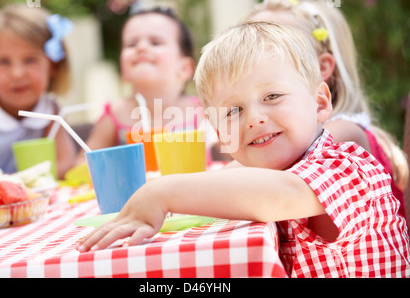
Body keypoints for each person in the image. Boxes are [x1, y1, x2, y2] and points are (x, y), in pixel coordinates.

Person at [77, 22, 410, 277]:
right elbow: (235, 181)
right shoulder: (270, 170)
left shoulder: (346, 167)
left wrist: (161, 193)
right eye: (233, 111)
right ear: (220, 133)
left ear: (320, 102)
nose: (254, 119)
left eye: (271, 97)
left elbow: (282, 194)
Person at [242, 0, 408, 219]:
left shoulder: (342, 135)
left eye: (274, 52)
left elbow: (270, 188)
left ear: (322, 68)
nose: (255, 65)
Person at [75, 6, 203, 165]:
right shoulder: (115, 114)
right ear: (123, 70)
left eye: (155, 42)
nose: (141, 47)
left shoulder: (202, 112)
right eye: (131, 44)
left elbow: (236, 158)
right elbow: (84, 162)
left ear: (184, 68)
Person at [0, 4, 76, 179]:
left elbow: (65, 166)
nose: (17, 73)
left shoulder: (51, 114)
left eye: (30, 60)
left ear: (53, 65)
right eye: (4, 62)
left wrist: (23, 180)